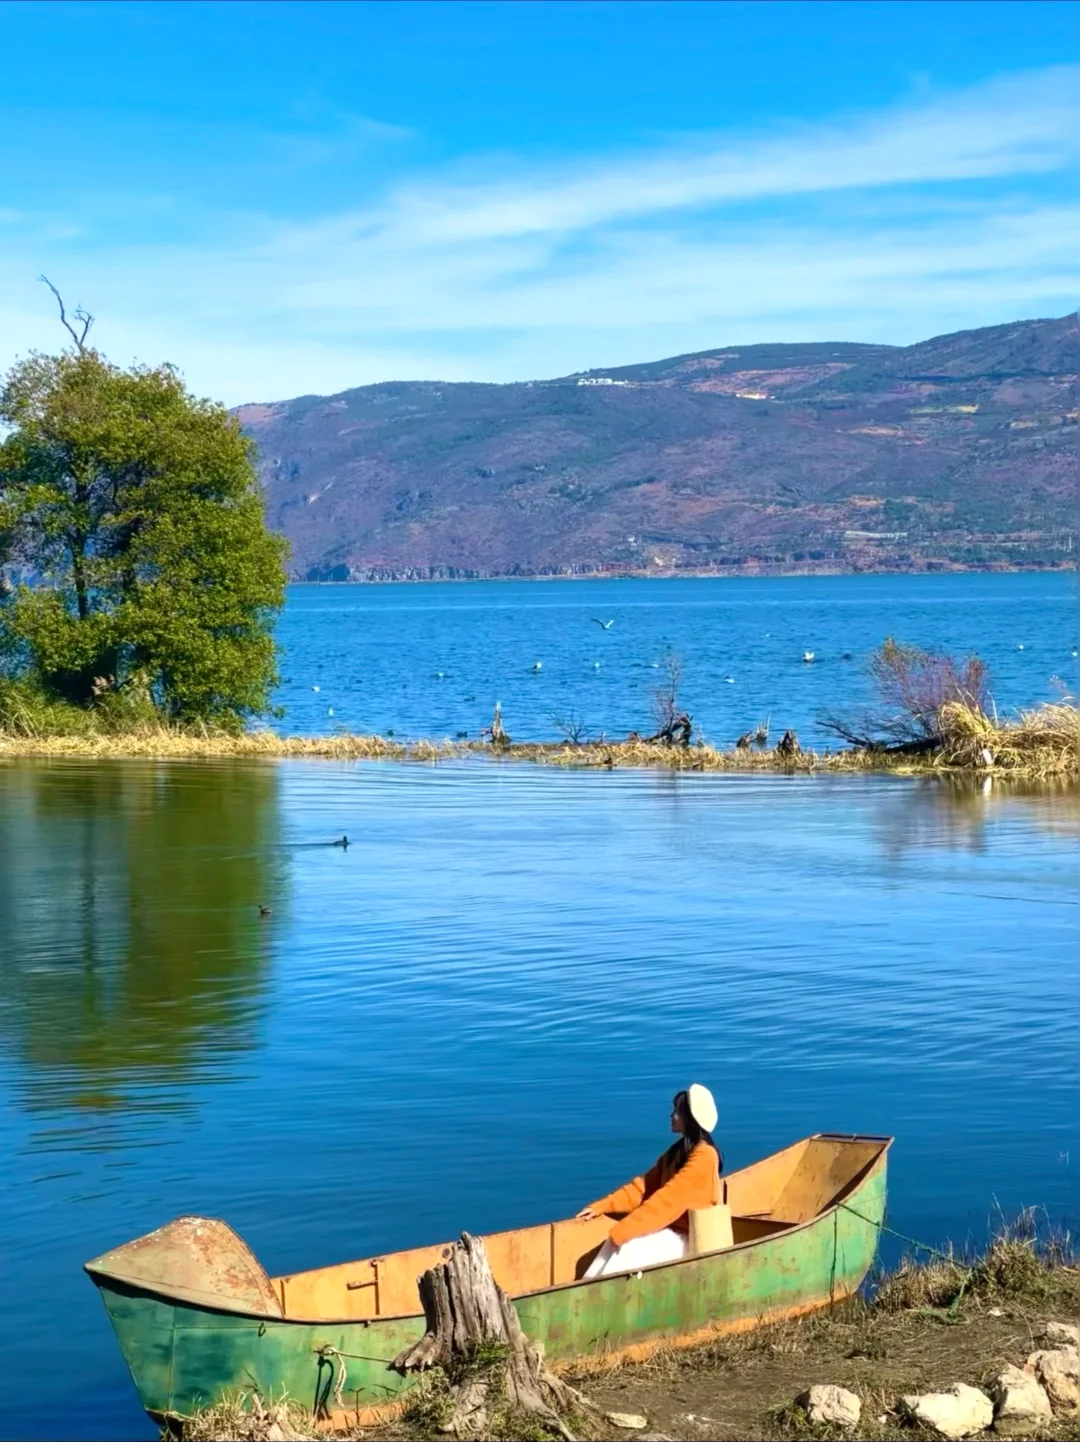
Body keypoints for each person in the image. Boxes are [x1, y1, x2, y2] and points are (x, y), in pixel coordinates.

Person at [577, 1084, 723, 1279]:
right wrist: (601, 1206)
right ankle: (589, 1287)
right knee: (614, 1242)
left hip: (691, 1238)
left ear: (689, 1118)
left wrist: (626, 1229)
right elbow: (643, 1188)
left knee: (630, 1245)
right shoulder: (677, 1152)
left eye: (676, 1112)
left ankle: (598, 1294)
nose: (672, 1116)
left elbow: (669, 1199)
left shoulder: (704, 1156)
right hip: (671, 1229)